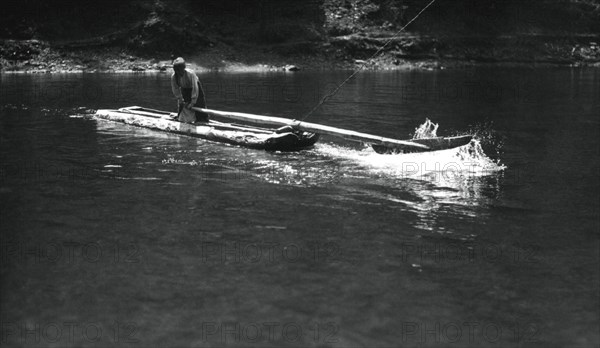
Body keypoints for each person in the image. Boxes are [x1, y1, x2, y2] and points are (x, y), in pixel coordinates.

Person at [170, 57, 209, 123]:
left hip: (195, 88)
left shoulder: (190, 74)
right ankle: (181, 117)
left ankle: (203, 120)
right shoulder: (174, 76)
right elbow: (175, 89)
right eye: (177, 71)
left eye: (180, 70)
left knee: (199, 104)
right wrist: (180, 99)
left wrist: (193, 102)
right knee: (183, 105)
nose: (179, 73)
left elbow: (195, 88)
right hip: (184, 89)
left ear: (183, 68)